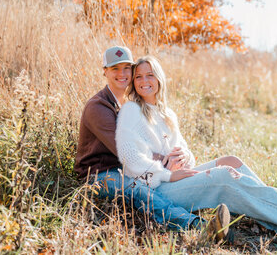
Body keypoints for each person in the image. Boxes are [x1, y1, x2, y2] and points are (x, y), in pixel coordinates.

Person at [115, 55, 277, 237]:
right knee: (223, 177)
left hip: (180, 177)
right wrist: (167, 174)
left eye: (150, 75)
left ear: (159, 79)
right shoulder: (131, 110)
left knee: (231, 161)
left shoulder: (168, 113)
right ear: (134, 82)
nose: (144, 81)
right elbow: (129, 159)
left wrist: (185, 155)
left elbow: (188, 156)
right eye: (139, 77)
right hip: (160, 189)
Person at [74, 46, 230, 239]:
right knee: (139, 191)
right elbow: (127, 151)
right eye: (115, 68)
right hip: (100, 175)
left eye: (126, 68)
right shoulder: (98, 106)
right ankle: (199, 226)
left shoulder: (132, 103)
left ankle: (248, 204)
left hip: (131, 170)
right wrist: (165, 162)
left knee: (186, 177)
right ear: (105, 71)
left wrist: (177, 157)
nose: (122, 74)